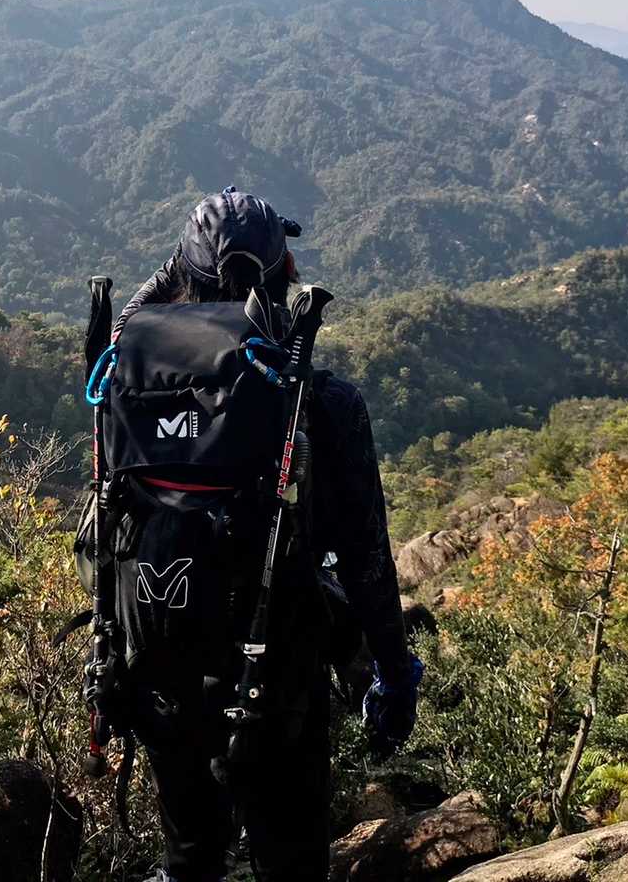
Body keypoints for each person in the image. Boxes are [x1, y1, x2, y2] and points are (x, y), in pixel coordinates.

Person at [117, 186, 421, 882]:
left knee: (190, 857)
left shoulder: (132, 387)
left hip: (158, 670)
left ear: (177, 275)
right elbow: (368, 561)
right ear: (287, 273)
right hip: (276, 679)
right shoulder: (319, 401)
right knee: (290, 861)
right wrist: (393, 673)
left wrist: (175, 269)